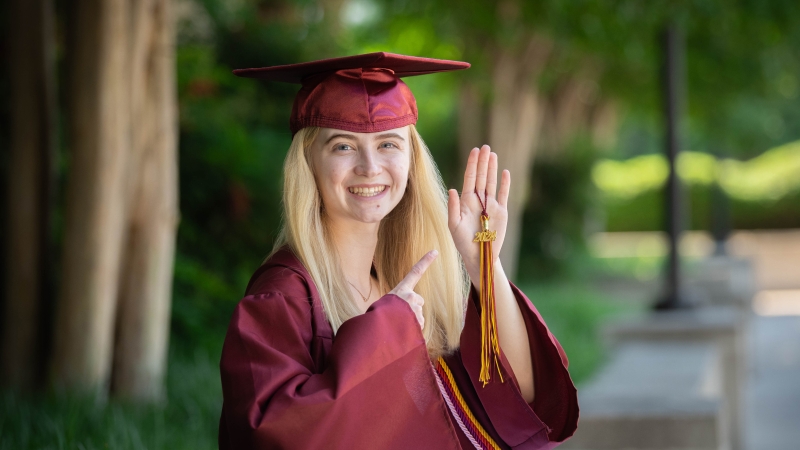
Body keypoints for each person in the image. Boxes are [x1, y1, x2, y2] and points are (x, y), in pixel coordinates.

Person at [219, 52, 578, 449]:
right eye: (343, 146)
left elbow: (518, 393)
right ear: (308, 163)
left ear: (411, 161)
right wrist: (386, 330)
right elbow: (270, 433)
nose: (370, 167)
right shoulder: (283, 296)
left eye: (388, 143)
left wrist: (484, 264)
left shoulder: (403, 277)